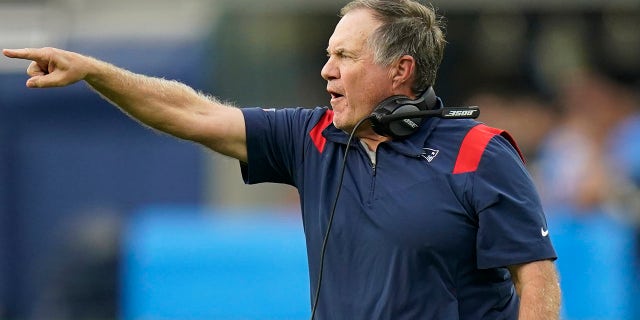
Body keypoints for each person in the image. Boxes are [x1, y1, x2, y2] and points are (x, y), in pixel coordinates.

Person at [3, 0, 560, 318]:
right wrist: (97, 71)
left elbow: (536, 280)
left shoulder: (480, 151)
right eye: (327, 55)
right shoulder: (311, 137)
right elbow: (191, 112)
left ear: (400, 71)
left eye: (344, 56)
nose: (327, 71)